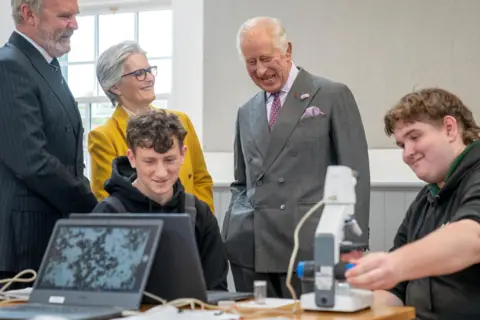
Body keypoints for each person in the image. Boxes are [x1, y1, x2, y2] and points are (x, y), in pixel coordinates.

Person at [222, 16, 370, 298]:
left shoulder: (331, 95)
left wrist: (353, 243)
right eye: (251, 62)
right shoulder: (246, 111)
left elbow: (355, 173)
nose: (261, 70)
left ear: (288, 51)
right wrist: (234, 227)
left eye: (266, 58)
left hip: (310, 247)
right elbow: (241, 182)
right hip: (253, 249)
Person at [345, 88, 480, 320]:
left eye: (415, 137)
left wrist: (393, 264)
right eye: (401, 145)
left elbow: (472, 238)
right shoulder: (425, 199)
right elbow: (396, 290)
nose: (407, 153)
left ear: (450, 128)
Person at [0, 0, 98, 285]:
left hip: (52, 237)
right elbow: (31, 160)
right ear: (29, 14)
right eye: (65, 16)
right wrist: (92, 206)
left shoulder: (45, 66)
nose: (75, 24)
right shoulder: (9, 67)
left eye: (75, 16)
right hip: (22, 246)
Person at [92, 110, 228, 291]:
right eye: (150, 161)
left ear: (183, 154)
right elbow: (93, 294)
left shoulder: (200, 213)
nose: (161, 172)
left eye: (169, 160)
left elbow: (216, 290)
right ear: (132, 158)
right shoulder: (106, 215)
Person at [88, 41, 215, 213]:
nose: (150, 78)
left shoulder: (181, 120)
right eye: (139, 73)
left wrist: (198, 223)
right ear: (115, 87)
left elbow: (201, 180)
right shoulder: (103, 136)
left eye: (149, 70)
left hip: (190, 228)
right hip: (141, 231)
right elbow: (107, 197)